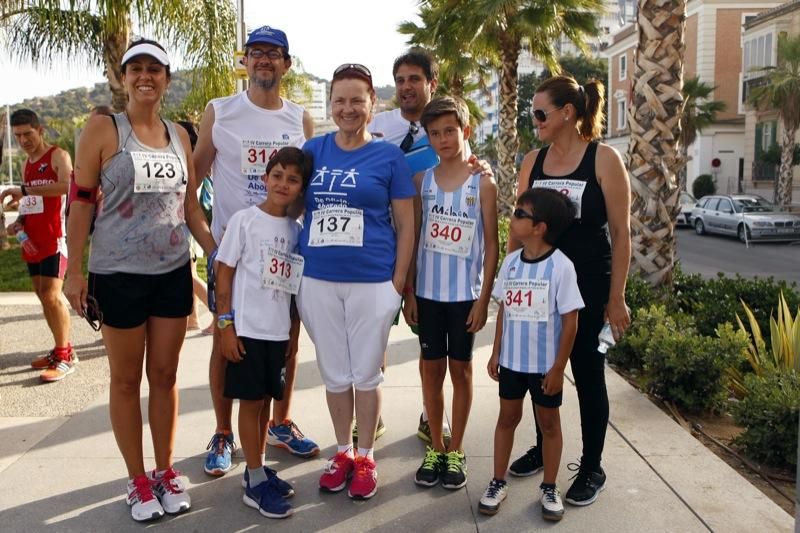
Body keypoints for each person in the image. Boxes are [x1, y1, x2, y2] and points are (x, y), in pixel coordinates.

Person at [63, 39, 194, 522]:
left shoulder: (181, 135)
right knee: (124, 380)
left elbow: (191, 207)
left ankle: (164, 470)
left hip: (172, 272)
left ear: (166, 78)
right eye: (135, 68)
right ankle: (137, 480)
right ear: (122, 78)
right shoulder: (102, 128)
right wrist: (74, 270)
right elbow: (79, 202)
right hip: (116, 273)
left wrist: (219, 253)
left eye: (154, 69)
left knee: (165, 376)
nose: (145, 76)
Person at [188, 24, 319, 476]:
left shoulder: (300, 118)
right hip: (234, 256)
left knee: (287, 340)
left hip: (283, 252)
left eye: (273, 53)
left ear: (286, 63)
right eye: (255, 52)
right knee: (227, 345)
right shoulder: (220, 111)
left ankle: (280, 421)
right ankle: (223, 432)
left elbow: (308, 189)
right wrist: (211, 245)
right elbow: (192, 187)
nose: (263, 60)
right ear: (244, 60)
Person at [507, 75, 631, 506]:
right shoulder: (532, 161)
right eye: (533, 113)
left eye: (541, 113)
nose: (535, 120)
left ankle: (591, 466)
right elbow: (518, 224)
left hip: (591, 289)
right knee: (542, 373)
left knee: (589, 375)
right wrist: (508, 279)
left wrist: (617, 297)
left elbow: (621, 231)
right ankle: (545, 449)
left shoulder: (603, 159)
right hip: (539, 289)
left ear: (568, 113)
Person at [297, 63, 414, 500]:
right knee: (333, 373)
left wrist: (397, 283)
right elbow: (289, 205)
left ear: (373, 104)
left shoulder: (388, 157)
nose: (348, 108)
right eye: (340, 100)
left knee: (366, 374)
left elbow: (406, 222)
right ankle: (342, 451)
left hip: (372, 281)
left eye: (357, 100)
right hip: (319, 281)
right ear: (331, 104)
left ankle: (365, 456)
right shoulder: (312, 151)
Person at [402, 96, 498, 490]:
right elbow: (413, 238)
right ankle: (437, 447)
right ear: (427, 137)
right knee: (431, 370)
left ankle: (456, 449)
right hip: (427, 294)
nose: (443, 139)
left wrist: (483, 299)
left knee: (460, 370)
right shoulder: (422, 183)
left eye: (450, 131)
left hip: (464, 297)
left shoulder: (483, 182)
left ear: (466, 132)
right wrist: (409, 293)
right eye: (435, 133)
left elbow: (492, 245)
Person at [215, 147, 311, 519]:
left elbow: (292, 286)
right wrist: (226, 325)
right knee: (250, 404)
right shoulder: (244, 221)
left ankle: (258, 468)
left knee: (267, 404)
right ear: (265, 177)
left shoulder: (296, 230)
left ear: (301, 188)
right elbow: (224, 273)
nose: (283, 184)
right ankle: (254, 481)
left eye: (292, 179)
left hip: (277, 334)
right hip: (247, 331)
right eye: (277, 175)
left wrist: (293, 332)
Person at [479, 187, 584, 520]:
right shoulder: (511, 263)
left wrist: (558, 368)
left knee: (549, 425)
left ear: (540, 227)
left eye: (520, 214)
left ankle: (550, 487)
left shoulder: (561, 267)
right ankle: (498, 481)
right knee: (507, 418)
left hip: (543, 368)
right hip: (511, 363)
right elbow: (506, 312)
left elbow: (570, 323)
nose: (513, 218)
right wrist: (496, 352)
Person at [368, 47, 448, 444]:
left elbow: (465, 165)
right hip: (384, 244)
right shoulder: (378, 124)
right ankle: (371, 414)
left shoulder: (445, 127)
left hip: (432, 250)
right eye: (400, 80)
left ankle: (430, 414)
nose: (405, 87)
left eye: (414, 79)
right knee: (375, 332)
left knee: (429, 340)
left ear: (431, 83)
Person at [1, 108, 75, 382]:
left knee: (52, 295)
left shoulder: (57, 156)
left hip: (55, 238)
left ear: (39, 130)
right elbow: (31, 202)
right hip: (32, 240)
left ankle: (65, 356)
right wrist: (18, 220)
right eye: (18, 136)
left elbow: (68, 186)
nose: (23, 140)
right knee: (42, 296)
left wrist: (25, 191)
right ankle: (62, 348)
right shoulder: (26, 165)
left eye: (28, 134)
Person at [176, 120, 213, 334]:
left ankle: (215, 311)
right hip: (188, 230)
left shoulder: (191, 166)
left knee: (189, 275)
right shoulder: (193, 163)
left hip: (187, 230)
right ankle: (194, 318)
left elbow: (189, 203)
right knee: (189, 275)